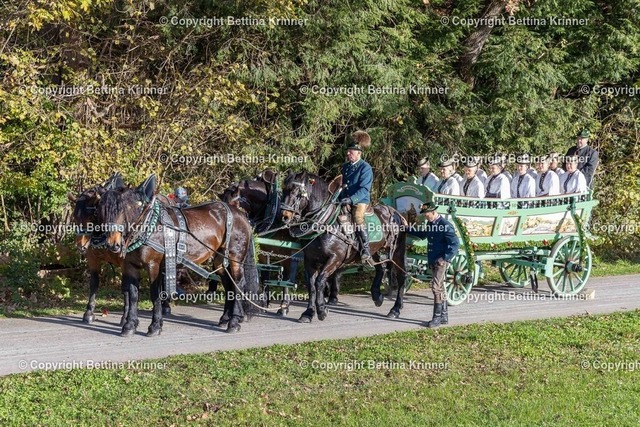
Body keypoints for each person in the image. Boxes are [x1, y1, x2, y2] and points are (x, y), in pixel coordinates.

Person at [409, 202, 460, 328]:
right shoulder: (431, 224)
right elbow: (423, 235)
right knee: (440, 287)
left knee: (436, 287)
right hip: (433, 260)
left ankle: (436, 318)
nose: (425, 217)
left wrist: (444, 258)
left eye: (427, 215)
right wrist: (406, 228)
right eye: (424, 215)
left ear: (433, 212)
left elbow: (455, 244)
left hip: (441, 261)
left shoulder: (445, 225)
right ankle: (444, 316)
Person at [340, 130, 374, 265]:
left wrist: (351, 199)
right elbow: (344, 185)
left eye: (351, 151)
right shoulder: (345, 167)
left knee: (358, 217)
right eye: (348, 151)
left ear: (359, 153)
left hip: (360, 200)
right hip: (345, 198)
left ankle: (365, 249)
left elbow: (364, 189)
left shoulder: (366, 168)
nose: (348, 153)